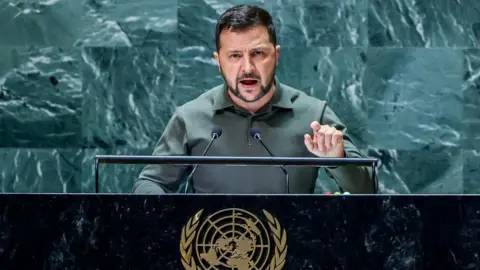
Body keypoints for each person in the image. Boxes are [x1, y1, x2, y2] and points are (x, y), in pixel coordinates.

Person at [132, 4, 376, 194]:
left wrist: (338, 160)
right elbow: (150, 183)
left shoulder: (314, 115)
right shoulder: (190, 117)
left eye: (258, 53)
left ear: (276, 56)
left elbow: (368, 190)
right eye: (235, 56)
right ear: (218, 61)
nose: (247, 68)